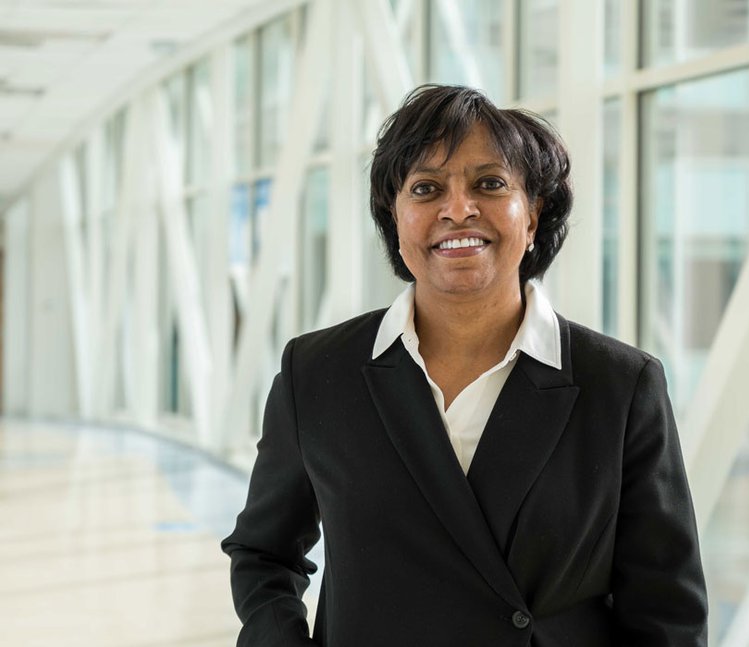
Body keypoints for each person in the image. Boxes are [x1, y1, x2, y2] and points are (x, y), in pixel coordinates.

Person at [222, 84, 708, 646]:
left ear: (533, 215)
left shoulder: (620, 386)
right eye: (426, 189)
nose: (457, 210)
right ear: (395, 218)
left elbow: (667, 610)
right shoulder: (316, 373)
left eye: (490, 184)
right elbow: (262, 552)